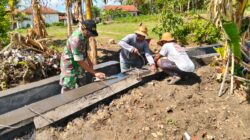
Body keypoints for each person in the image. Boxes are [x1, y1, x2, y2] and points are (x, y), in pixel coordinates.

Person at [60, 20, 106, 93]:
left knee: (82, 80)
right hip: (69, 63)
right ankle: (67, 102)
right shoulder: (76, 39)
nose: (89, 35)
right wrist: (95, 73)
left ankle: (81, 99)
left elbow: (84, 51)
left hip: (79, 59)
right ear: (83, 28)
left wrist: (89, 62)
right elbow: (79, 61)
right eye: (88, 32)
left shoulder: (85, 35)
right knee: (69, 85)